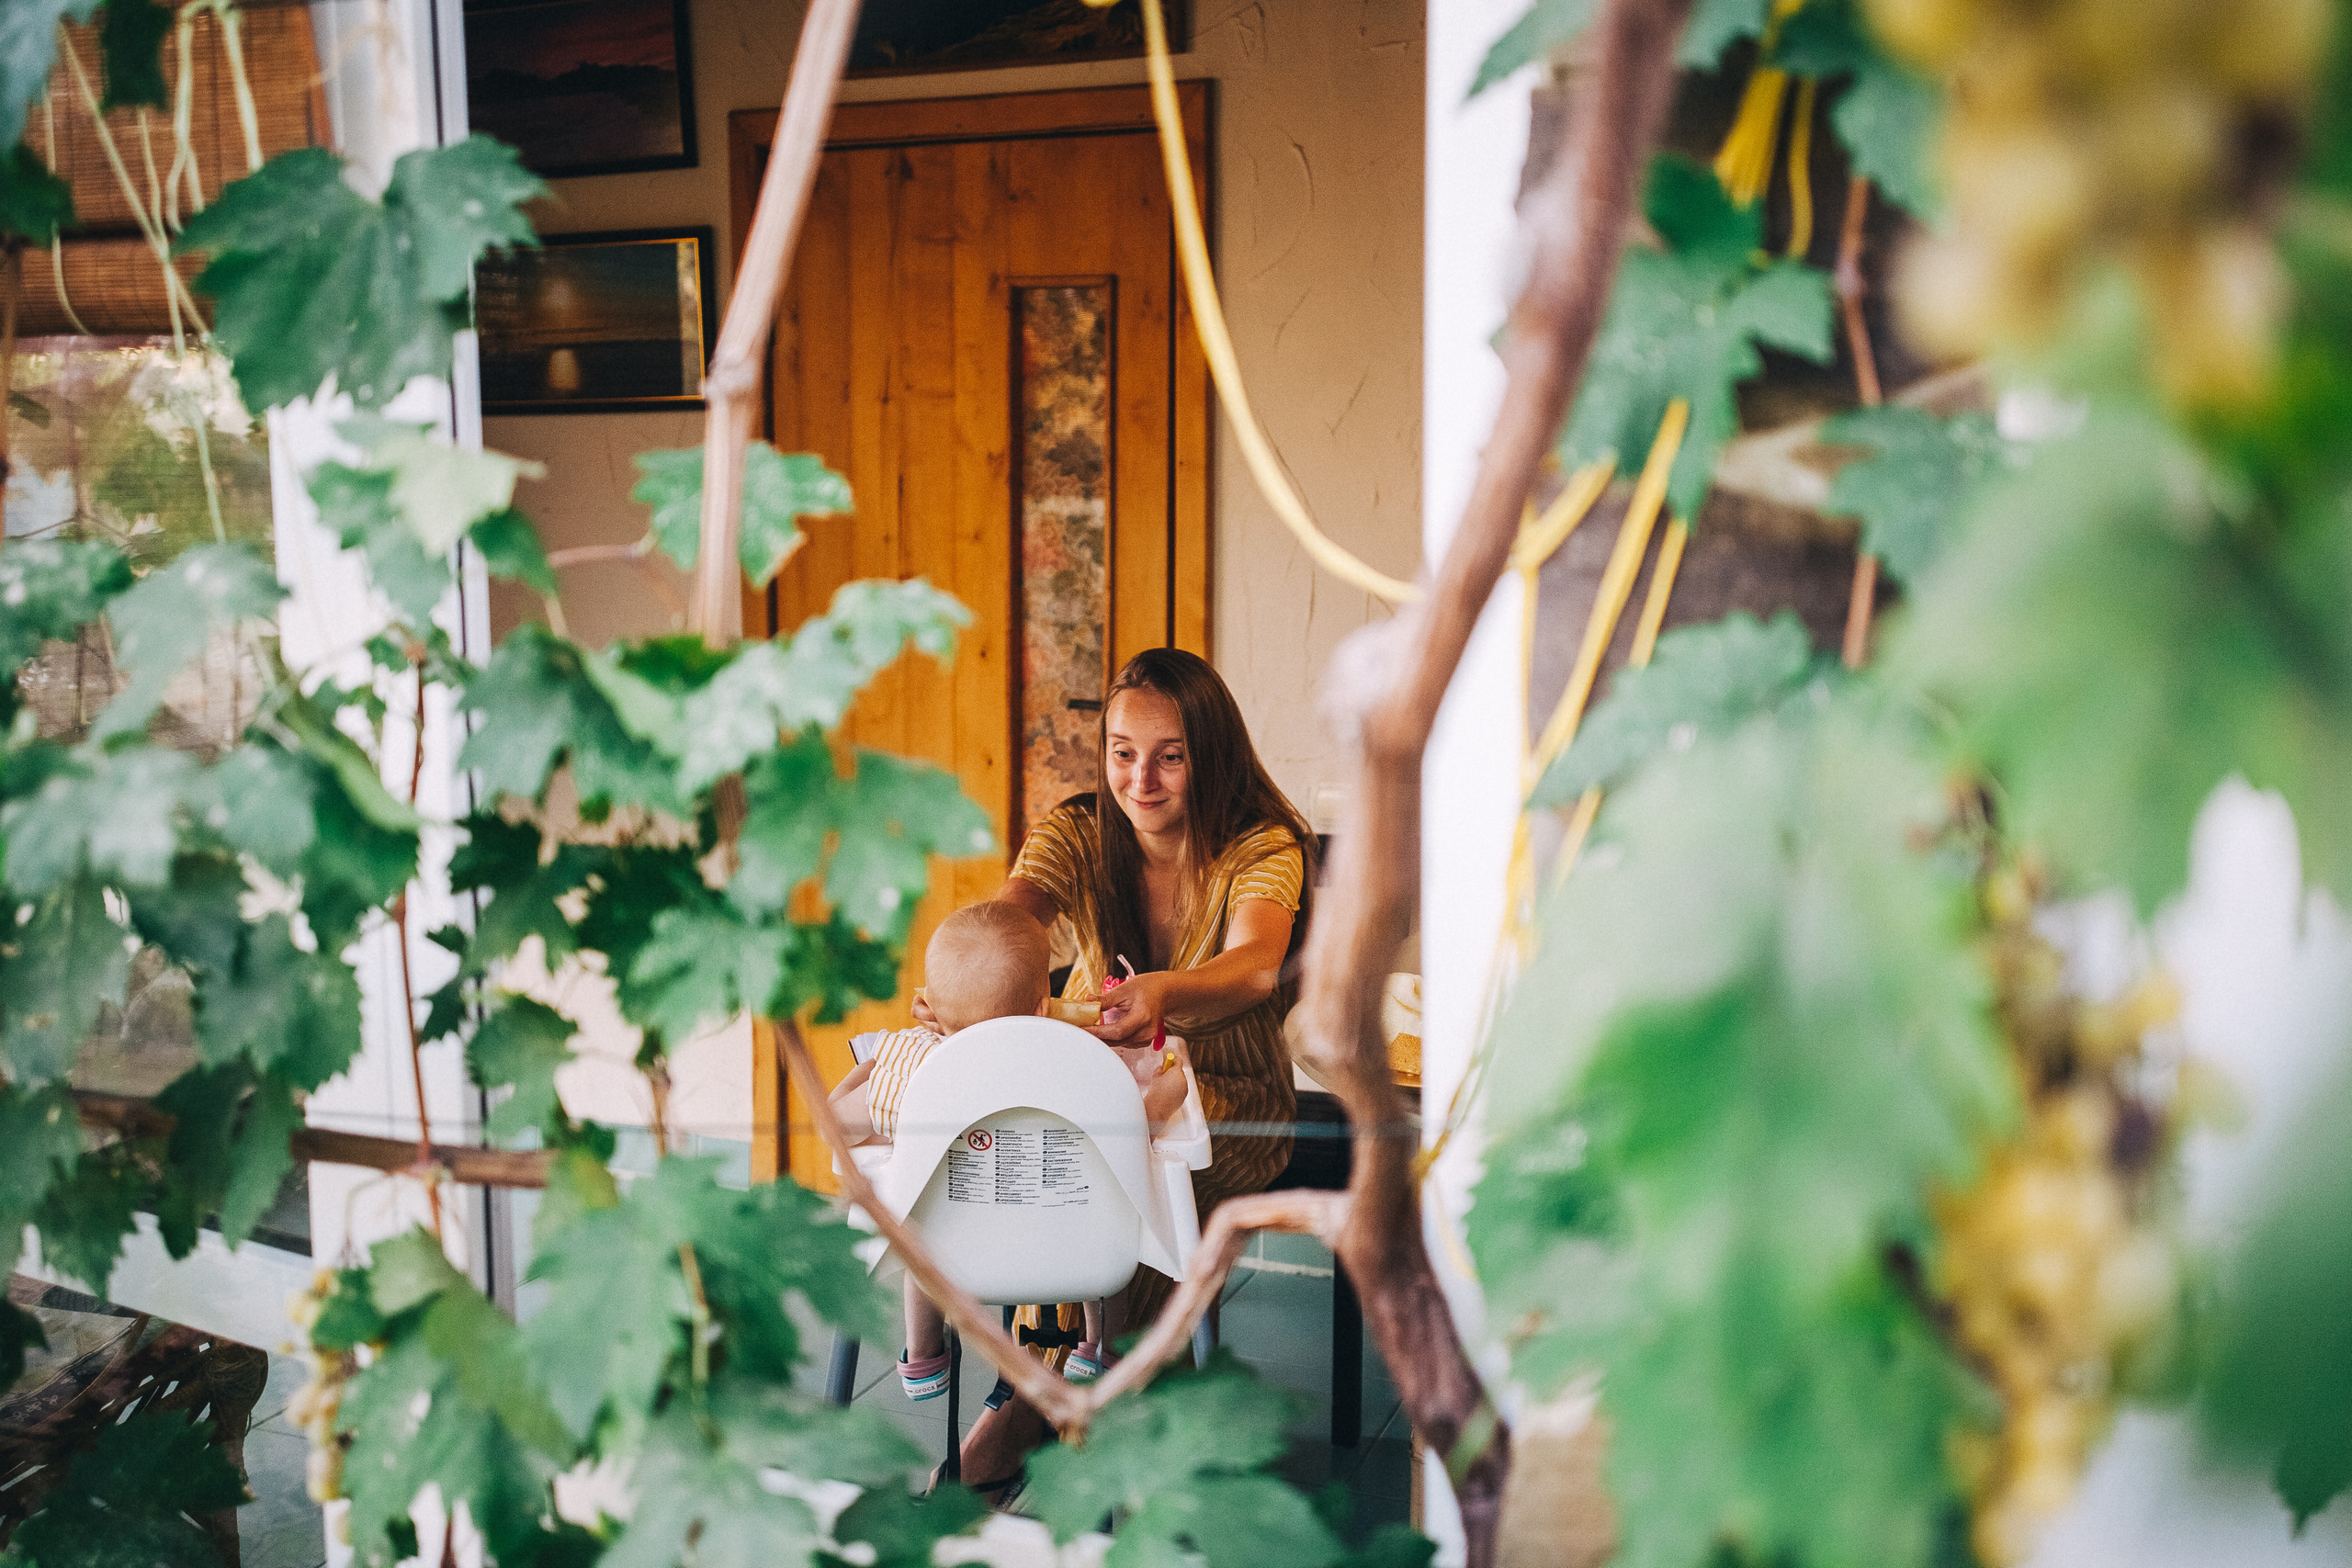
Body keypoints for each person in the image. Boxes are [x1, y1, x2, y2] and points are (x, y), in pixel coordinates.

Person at [948, 646, 1314, 1498]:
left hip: (1230, 1099)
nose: (1139, 777)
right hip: (1091, 1090)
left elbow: (1257, 964)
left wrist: (1162, 995)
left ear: (1210, 753)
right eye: (1121, 751)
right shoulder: (1076, 829)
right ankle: (1072, 1385)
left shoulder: (1263, 844)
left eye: (1170, 755)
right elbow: (1011, 918)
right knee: (1064, 1159)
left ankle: (1053, 1404)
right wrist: (961, 981)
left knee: (1127, 1178)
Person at [831, 901, 1189, 1400]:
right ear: (1045, 1006)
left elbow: (834, 1126)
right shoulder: (1087, 1068)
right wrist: (1174, 1083)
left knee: (918, 1215)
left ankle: (925, 1356)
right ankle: (1097, 1346)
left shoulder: (910, 1072)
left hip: (953, 1255)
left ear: (927, 1008)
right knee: (1106, 1198)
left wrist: (867, 1078)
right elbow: (1146, 1120)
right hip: (1070, 1245)